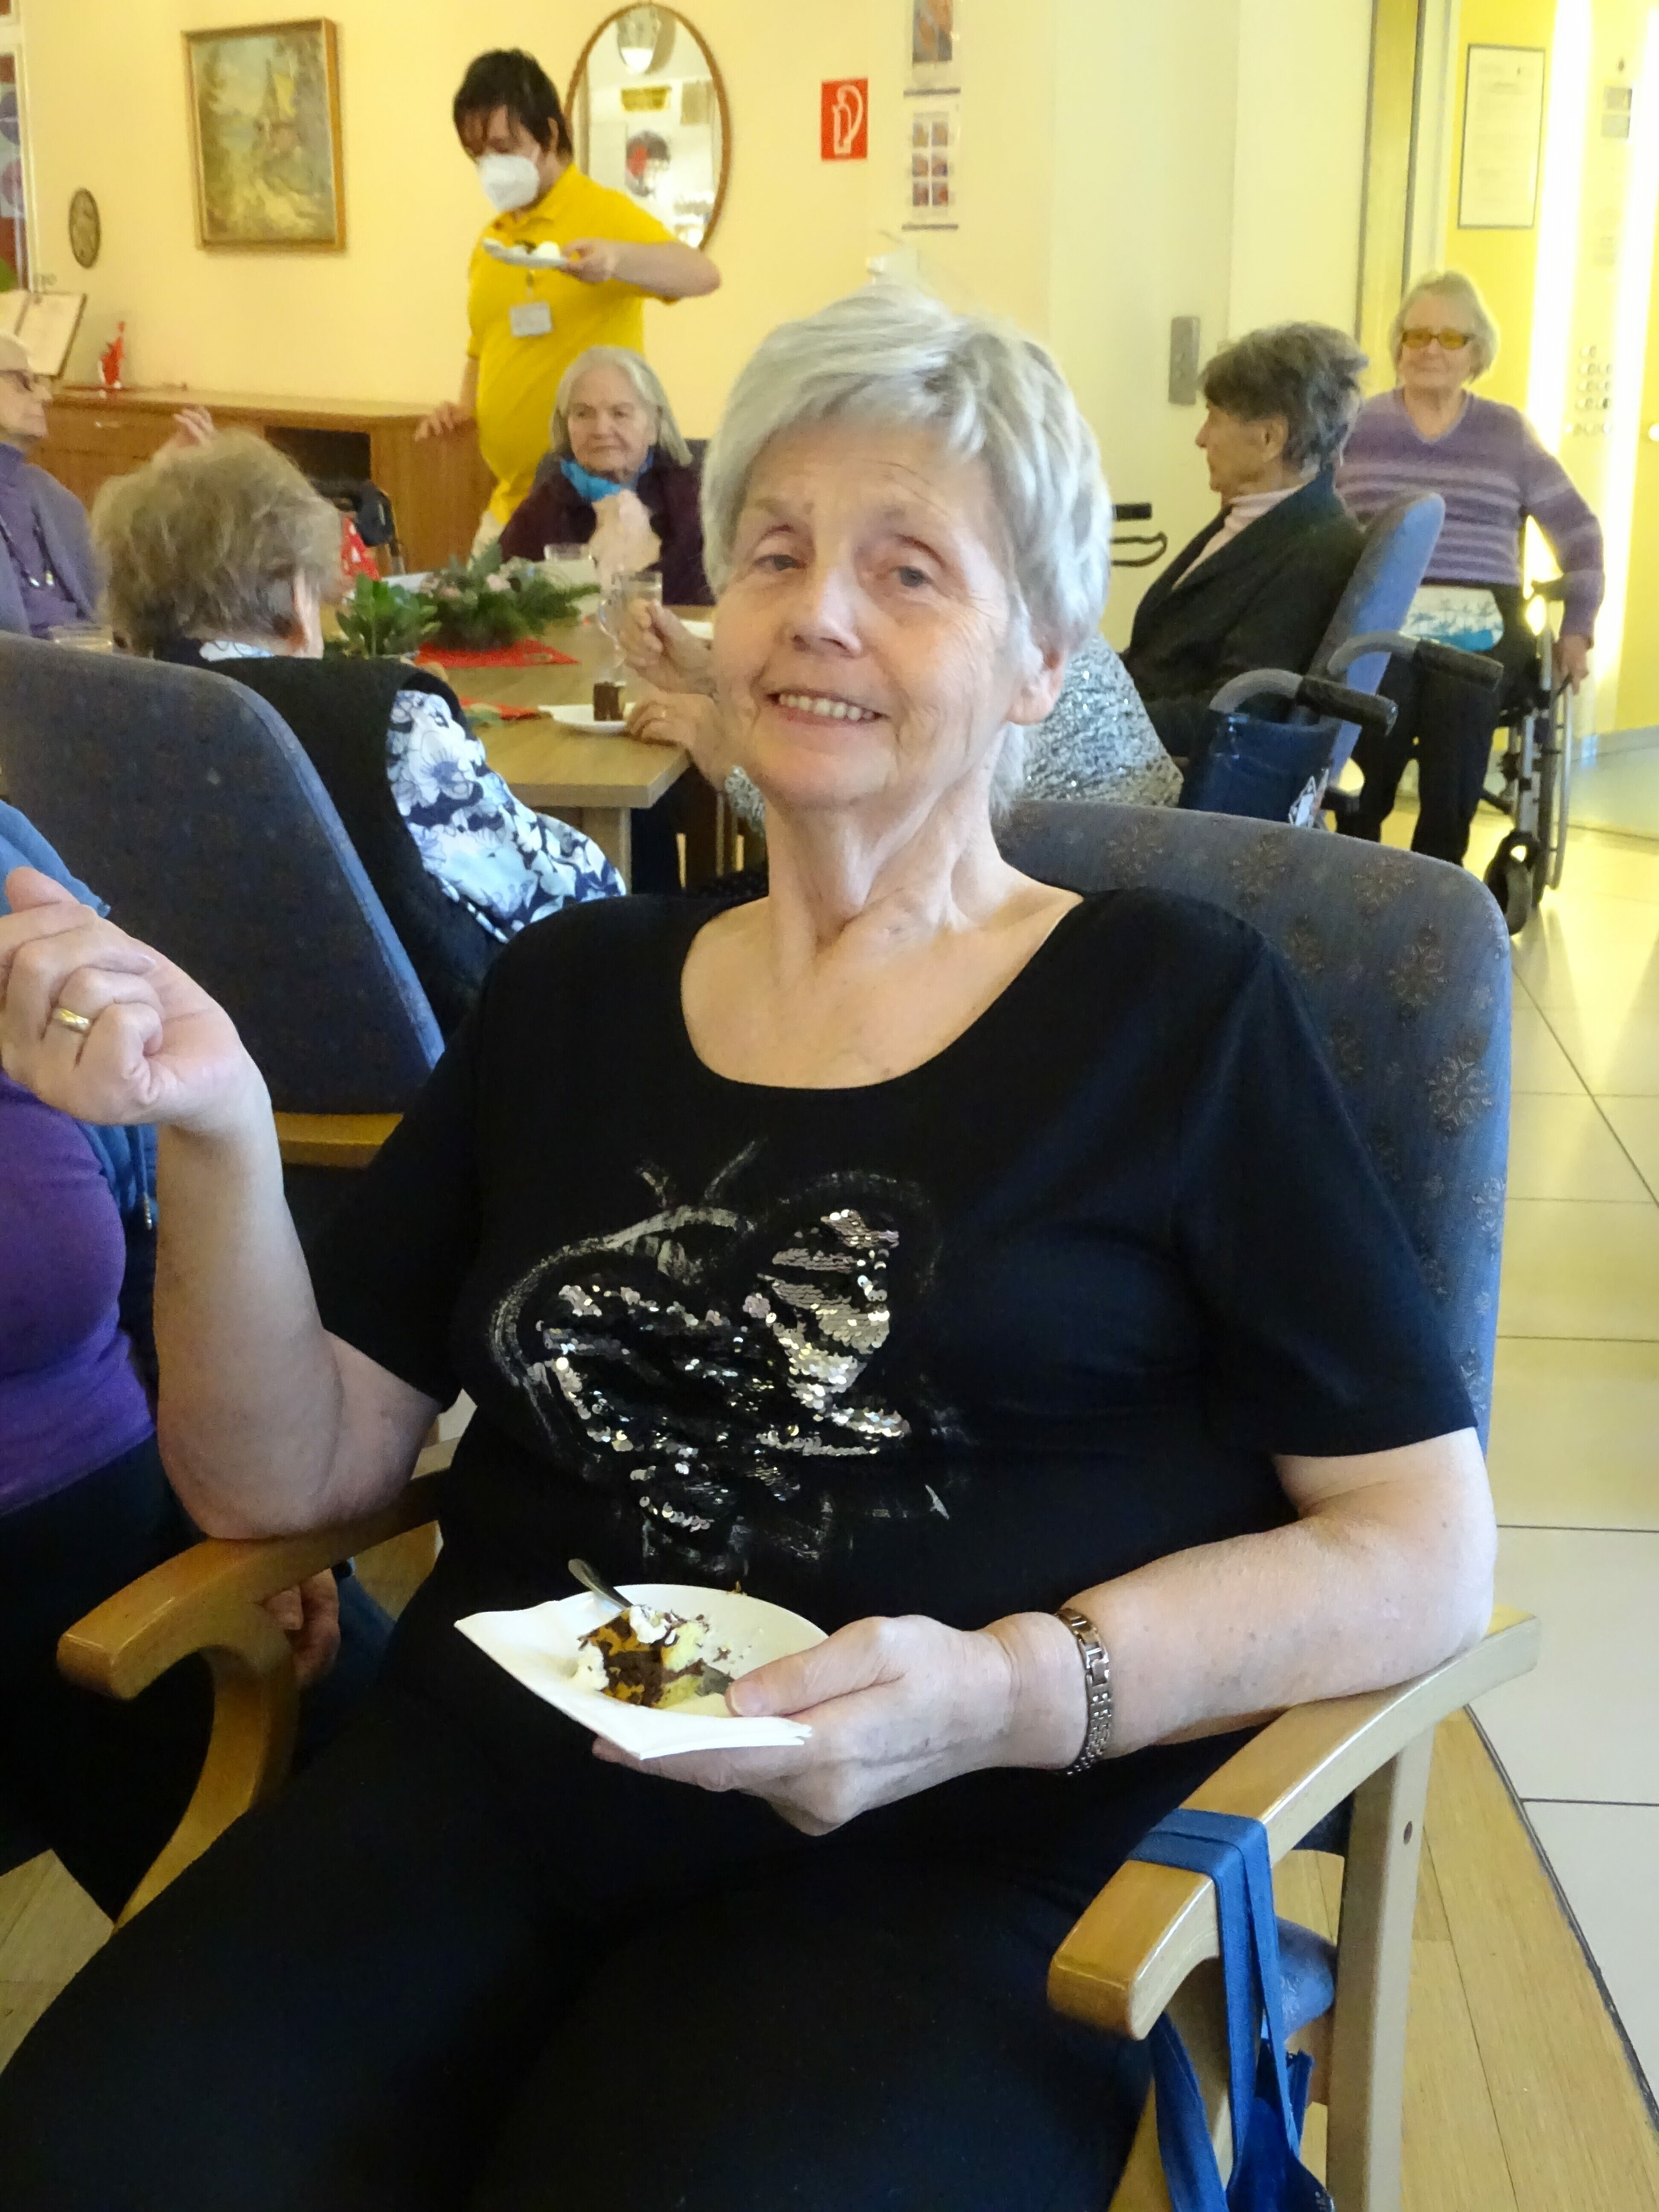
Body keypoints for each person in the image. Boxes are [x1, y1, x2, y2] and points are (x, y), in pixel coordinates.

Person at [0, 288, 1494, 2212]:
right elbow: (287, 1477)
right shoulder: (571, 989)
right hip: (496, 1775)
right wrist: (212, 1124)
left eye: (907, 569)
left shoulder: (1175, 1012)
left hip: (951, 1842)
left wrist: (1011, 1689)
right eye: (775, 552)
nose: (818, 612)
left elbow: (1419, 1541)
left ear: (1042, 658)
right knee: (96, 2160)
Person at [0, 801, 389, 1923]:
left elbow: (134, 1227)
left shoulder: (12, 871)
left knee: (419, 1857)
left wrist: (229, 1491)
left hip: (133, 1537)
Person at [91, 432, 622, 1036]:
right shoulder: (388, 721)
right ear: (296, 594)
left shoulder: (112, 711)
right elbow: (571, 901)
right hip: (427, 1063)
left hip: (182, 1051)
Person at [1336, 269, 1604, 866]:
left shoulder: (1507, 433)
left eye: (1451, 338)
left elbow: (1579, 531)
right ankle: (1355, 864)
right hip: (1383, 608)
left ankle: (1439, 871)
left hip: (1483, 615)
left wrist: (1579, 625)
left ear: (1477, 352)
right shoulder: (1357, 427)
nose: (1430, 349)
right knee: (1378, 694)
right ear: (1399, 345)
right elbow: (1318, 523)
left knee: (1462, 697)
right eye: (1417, 335)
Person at [416, 49, 720, 540]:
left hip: (597, 509)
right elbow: (483, 347)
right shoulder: (491, 241)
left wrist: (618, 260)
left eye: (503, 147)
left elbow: (702, 275)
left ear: (550, 135)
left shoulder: (602, 212)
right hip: (511, 506)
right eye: (478, 154)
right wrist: (464, 411)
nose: (491, 165)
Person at [623, 616, 1179, 822]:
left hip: (1057, 920)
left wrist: (727, 760)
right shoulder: (1002, 586)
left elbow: (859, 839)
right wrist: (713, 677)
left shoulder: (973, 639)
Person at [1121, 323, 1368, 761]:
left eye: (1214, 418)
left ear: (1270, 438)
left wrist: (1100, 725)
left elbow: (1238, 715)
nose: (1201, 438)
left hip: (1161, 773)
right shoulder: (1256, 519)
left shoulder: (1318, 552)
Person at [498, 346, 711, 604]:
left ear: (654, 425)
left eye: (620, 413)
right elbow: (499, 594)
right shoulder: (546, 503)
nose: (601, 429)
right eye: (583, 414)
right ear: (565, 426)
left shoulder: (691, 500)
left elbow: (705, 601)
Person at [0, 332, 100, 638]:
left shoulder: (49, 494)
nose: (46, 396)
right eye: (24, 383)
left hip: (92, 656)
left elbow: (117, 590)